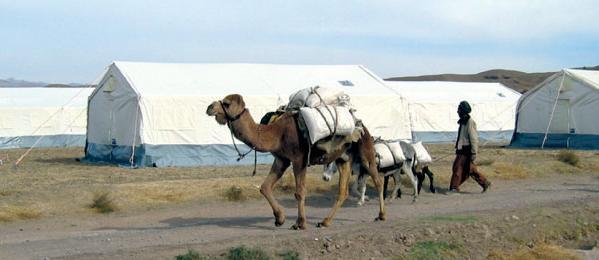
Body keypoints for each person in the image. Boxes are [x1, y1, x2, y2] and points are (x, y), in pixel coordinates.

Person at [449, 101, 491, 193]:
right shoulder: (463, 121)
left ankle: (454, 187)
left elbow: (474, 139)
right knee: (470, 169)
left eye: (459, 109)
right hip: (461, 150)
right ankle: (484, 182)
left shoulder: (470, 122)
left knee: (457, 168)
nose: (457, 111)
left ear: (463, 111)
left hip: (466, 150)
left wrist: (473, 152)